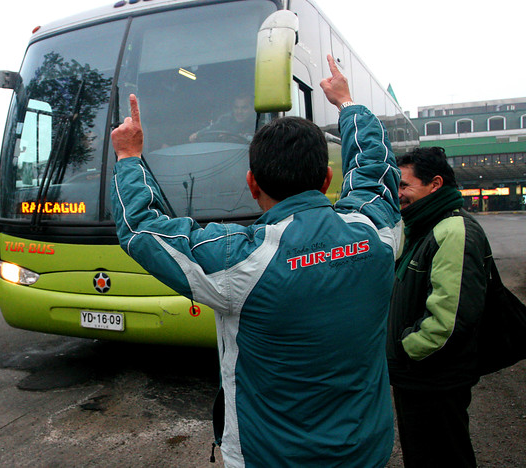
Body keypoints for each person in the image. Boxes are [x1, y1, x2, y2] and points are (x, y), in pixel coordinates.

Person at [110, 55, 401, 467]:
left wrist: (128, 156)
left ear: (251, 183)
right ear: (326, 181)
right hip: (365, 452)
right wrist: (348, 104)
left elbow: (140, 227)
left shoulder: (239, 261)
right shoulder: (378, 232)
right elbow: (374, 169)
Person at [388, 146, 492, 468]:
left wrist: (406, 349)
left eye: (405, 186)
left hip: (434, 380)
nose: (399, 194)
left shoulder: (453, 230)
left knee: (444, 457)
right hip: (417, 378)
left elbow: (450, 319)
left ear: (435, 184)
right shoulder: (421, 227)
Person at [189, 94, 255, 143]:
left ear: (252, 109)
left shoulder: (257, 123)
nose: (239, 112)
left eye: (244, 108)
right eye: (236, 107)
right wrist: (197, 135)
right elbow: (211, 129)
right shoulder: (225, 120)